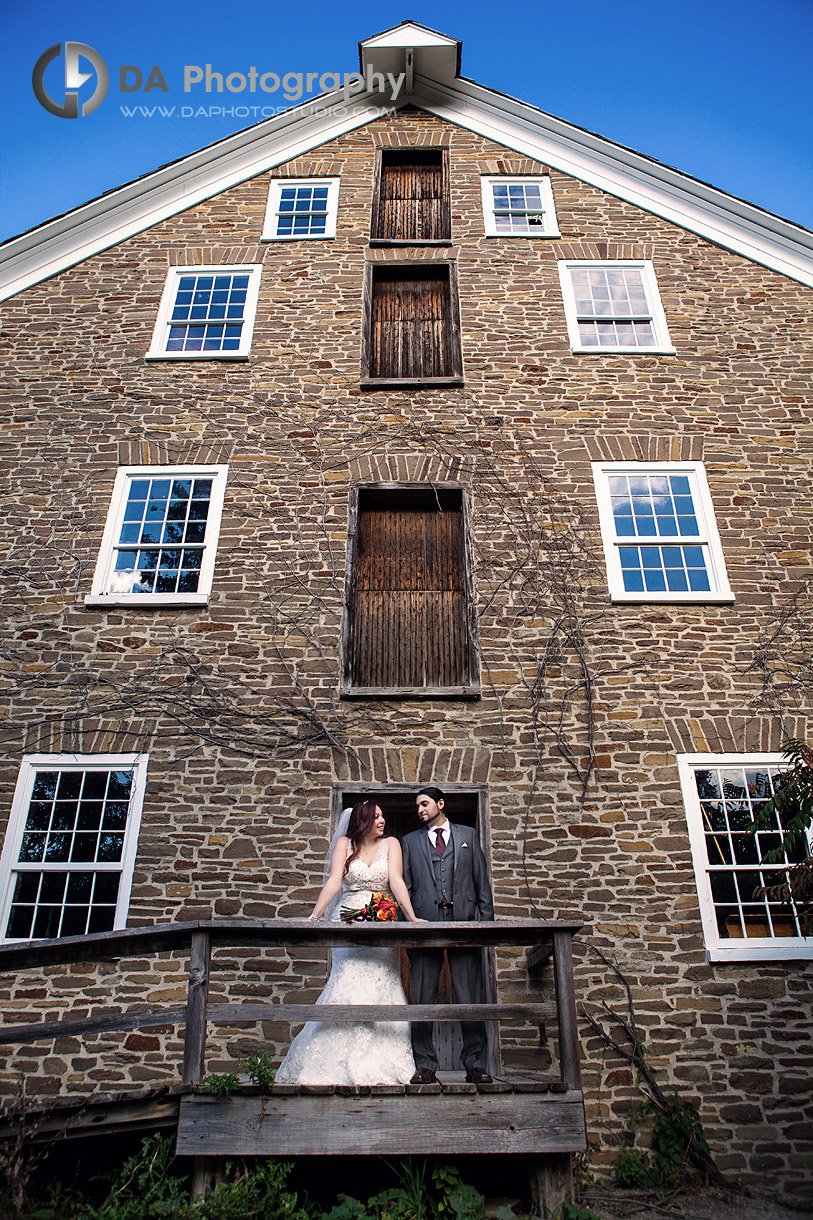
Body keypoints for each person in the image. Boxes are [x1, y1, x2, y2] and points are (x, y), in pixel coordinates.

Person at [275, 800, 423, 1085]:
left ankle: (383, 1060)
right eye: (376, 816)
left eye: (383, 816)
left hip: (381, 921)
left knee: (382, 983)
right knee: (346, 984)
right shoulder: (345, 843)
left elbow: (396, 881)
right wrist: (315, 916)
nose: (382, 821)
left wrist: (412, 917)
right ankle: (332, 1060)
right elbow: (334, 881)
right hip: (348, 921)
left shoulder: (392, 843)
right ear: (363, 820)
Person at [401, 785, 494, 1084]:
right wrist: (409, 926)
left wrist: (484, 926)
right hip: (424, 929)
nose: (420, 810)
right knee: (422, 999)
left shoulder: (467, 835)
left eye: (425, 804)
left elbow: (482, 885)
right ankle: (425, 1064)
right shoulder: (410, 842)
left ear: (440, 804)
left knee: (470, 997)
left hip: (464, 926)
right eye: (418, 806)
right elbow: (406, 886)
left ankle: (475, 1063)